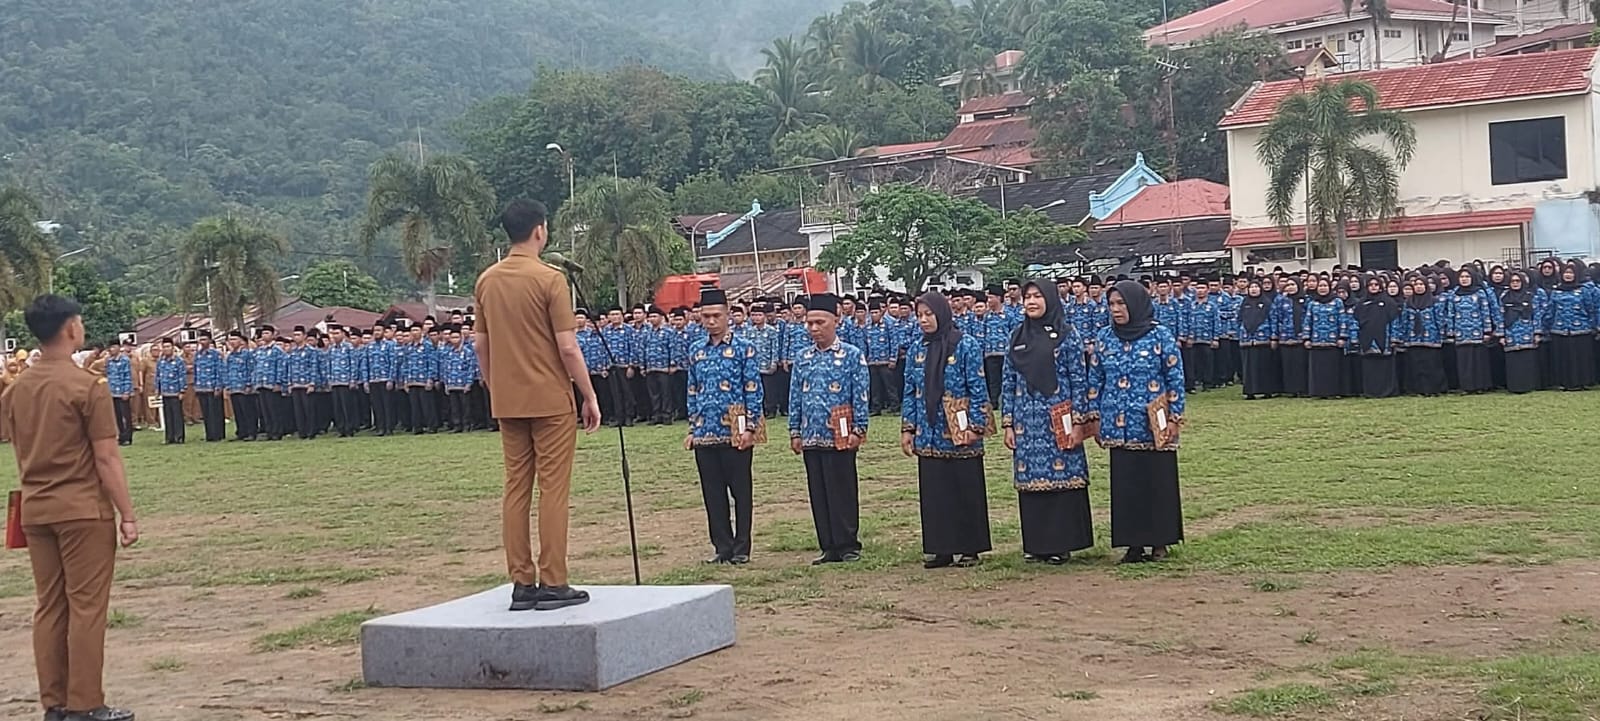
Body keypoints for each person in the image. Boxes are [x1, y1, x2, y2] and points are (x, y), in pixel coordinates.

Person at [1, 295, 139, 721]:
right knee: (86, 606)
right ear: (70, 329)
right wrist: (128, 514)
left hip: (35, 507)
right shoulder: (87, 386)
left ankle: (55, 702)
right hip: (82, 508)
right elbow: (106, 457)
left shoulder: (17, 388)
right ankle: (86, 702)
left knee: (50, 606)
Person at [475, 199, 602, 612]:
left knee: (516, 488)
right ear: (540, 231)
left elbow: (481, 345)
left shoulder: (487, 280)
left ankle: (521, 581)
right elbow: (568, 347)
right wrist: (589, 394)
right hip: (550, 399)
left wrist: (496, 387)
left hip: (508, 400)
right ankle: (553, 580)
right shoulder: (550, 279)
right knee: (553, 489)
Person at [1090, 281, 1186, 564]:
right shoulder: (1105, 338)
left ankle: (1159, 541)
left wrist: (1174, 417)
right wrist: (1095, 418)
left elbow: (1175, 378)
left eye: (1121, 303)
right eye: (1112, 304)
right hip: (1118, 424)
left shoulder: (1160, 335)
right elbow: (1095, 381)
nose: (1116, 309)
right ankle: (1132, 543)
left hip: (1152, 424)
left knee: (1157, 482)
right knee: (1126, 485)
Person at [1001, 281, 1093, 565]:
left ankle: (1061, 543)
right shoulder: (1016, 336)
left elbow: (1079, 380)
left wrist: (1079, 421)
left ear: (1050, 299)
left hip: (1058, 417)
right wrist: (1008, 422)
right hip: (1026, 422)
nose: (1031, 302)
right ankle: (1036, 544)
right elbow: (1008, 381)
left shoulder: (1067, 335)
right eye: (1027, 297)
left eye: (1038, 296)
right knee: (1030, 481)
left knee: (1062, 478)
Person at [901, 292, 992, 569]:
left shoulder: (965, 344)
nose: (924, 320)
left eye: (929, 314)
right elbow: (910, 391)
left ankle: (969, 548)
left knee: (965, 488)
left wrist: (976, 426)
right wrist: (908, 428)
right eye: (920, 315)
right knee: (935, 492)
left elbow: (978, 387)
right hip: (928, 432)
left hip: (959, 430)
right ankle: (941, 548)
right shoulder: (917, 349)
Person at [789, 293, 869, 565]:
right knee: (819, 492)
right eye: (810, 323)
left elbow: (860, 394)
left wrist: (859, 429)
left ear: (836, 321)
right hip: (811, 435)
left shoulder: (851, 355)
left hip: (840, 434)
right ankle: (828, 545)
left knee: (842, 489)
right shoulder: (803, 357)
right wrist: (795, 431)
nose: (814, 328)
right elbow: (795, 396)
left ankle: (847, 543)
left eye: (820, 322)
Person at [684, 288, 763, 565]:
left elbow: (753, 389)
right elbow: (692, 390)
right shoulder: (696, 349)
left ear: (728, 314)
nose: (711, 321)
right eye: (705, 316)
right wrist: (692, 429)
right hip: (705, 432)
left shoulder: (744, 347)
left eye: (716, 315)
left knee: (741, 492)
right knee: (713, 494)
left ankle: (742, 547)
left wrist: (751, 427)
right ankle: (722, 546)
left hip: (735, 430)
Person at [1446, 267, 1499, 393]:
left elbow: (1485, 312)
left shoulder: (1480, 293)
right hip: (1461, 333)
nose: (1464, 279)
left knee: (1479, 361)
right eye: (1462, 277)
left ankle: (1481, 386)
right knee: (1464, 362)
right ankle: (1467, 386)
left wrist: (1487, 331)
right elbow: (1450, 314)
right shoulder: (1454, 294)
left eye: (1467, 277)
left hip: (1477, 332)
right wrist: (1451, 332)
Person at [1545, 260, 1596, 391]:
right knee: (1563, 358)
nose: (1568, 275)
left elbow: (1590, 309)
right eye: (1566, 273)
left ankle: (1582, 382)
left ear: (1576, 274)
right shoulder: (1556, 291)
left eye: (1571, 273)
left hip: (1581, 330)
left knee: (1580, 358)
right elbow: (1551, 310)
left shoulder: (1583, 290)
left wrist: (1593, 325)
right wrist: (1547, 326)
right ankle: (1564, 382)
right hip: (1560, 330)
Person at [1353, 275, 1402, 398]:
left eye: (1376, 285)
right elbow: (1355, 321)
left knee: (1385, 367)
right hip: (1366, 339)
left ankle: (1387, 391)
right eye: (1371, 285)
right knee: (1369, 367)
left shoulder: (1388, 302)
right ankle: (1370, 391)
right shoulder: (1361, 303)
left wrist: (1394, 338)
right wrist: (1355, 338)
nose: (1373, 287)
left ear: (1380, 286)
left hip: (1384, 338)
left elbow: (1395, 321)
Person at [1499, 272, 1542, 394]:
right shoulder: (1504, 297)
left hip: (1527, 332)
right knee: (1513, 362)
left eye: (1518, 281)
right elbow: (1499, 316)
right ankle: (1514, 386)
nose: (1515, 283)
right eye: (1512, 281)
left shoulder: (1530, 296)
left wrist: (1537, 333)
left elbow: (1536, 315)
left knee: (1526, 360)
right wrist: (1501, 335)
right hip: (1510, 332)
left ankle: (1528, 385)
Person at [1237, 278, 1279, 399]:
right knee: (1248, 368)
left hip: (1263, 339)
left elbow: (1273, 320)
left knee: (1264, 366)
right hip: (1247, 340)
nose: (1253, 290)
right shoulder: (1245, 303)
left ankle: (1266, 391)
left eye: (1256, 287)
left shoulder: (1267, 303)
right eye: (1251, 287)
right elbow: (1239, 319)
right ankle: (1250, 392)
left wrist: (1273, 336)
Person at [1304, 278, 1345, 399]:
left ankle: (1332, 392)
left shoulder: (1337, 302)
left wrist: (1342, 337)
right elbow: (1308, 321)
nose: (1322, 288)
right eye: (1320, 286)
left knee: (1331, 369)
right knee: (1318, 369)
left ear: (1330, 287)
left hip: (1333, 341)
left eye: (1325, 285)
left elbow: (1342, 320)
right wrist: (1306, 338)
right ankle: (1318, 392)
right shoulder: (1312, 303)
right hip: (1316, 341)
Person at [1273, 278, 1309, 397]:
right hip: (1285, 337)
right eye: (1288, 285)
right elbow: (1276, 317)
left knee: (1300, 364)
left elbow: (1309, 318)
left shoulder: (1306, 300)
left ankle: (1302, 389)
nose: (1290, 287)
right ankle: (1290, 389)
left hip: (1301, 338)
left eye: (1293, 284)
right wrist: (1276, 335)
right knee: (1288, 365)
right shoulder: (1280, 300)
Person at [223, 331, 259, 440]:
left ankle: (251, 432)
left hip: (244, 387)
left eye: (234, 339)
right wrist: (227, 385)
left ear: (240, 341)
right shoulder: (230, 356)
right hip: (234, 387)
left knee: (248, 411)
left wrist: (249, 384)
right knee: (238, 412)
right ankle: (241, 432)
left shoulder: (247, 354)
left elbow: (251, 370)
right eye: (230, 340)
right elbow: (227, 371)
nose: (232, 342)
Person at [193, 331, 225, 442]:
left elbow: (219, 370)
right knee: (206, 413)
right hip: (201, 386)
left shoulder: (216, 354)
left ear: (210, 341)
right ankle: (209, 434)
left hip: (212, 386)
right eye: (200, 339)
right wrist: (196, 385)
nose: (202, 342)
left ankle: (218, 434)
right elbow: (196, 371)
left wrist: (218, 386)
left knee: (215, 412)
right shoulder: (198, 355)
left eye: (204, 339)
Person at [155, 338, 187, 445]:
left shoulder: (179, 361)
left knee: (177, 415)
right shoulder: (161, 361)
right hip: (165, 391)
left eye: (168, 346)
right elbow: (158, 376)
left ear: (173, 347)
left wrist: (182, 390)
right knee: (167, 416)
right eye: (164, 347)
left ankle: (179, 436)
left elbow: (182, 376)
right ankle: (169, 437)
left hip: (175, 391)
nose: (166, 349)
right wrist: (157, 389)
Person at [103, 341, 136, 446]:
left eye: (113, 347)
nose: (111, 350)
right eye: (110, 348)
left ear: (118, 348)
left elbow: (127, 376)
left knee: (125, 416)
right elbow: (107, 375)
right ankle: (120, 436)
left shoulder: (124, 360)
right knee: (117, 416)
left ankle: (127, 437)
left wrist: (126, 391)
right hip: (113, 392)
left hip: (122, 392)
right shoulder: (109, 361)